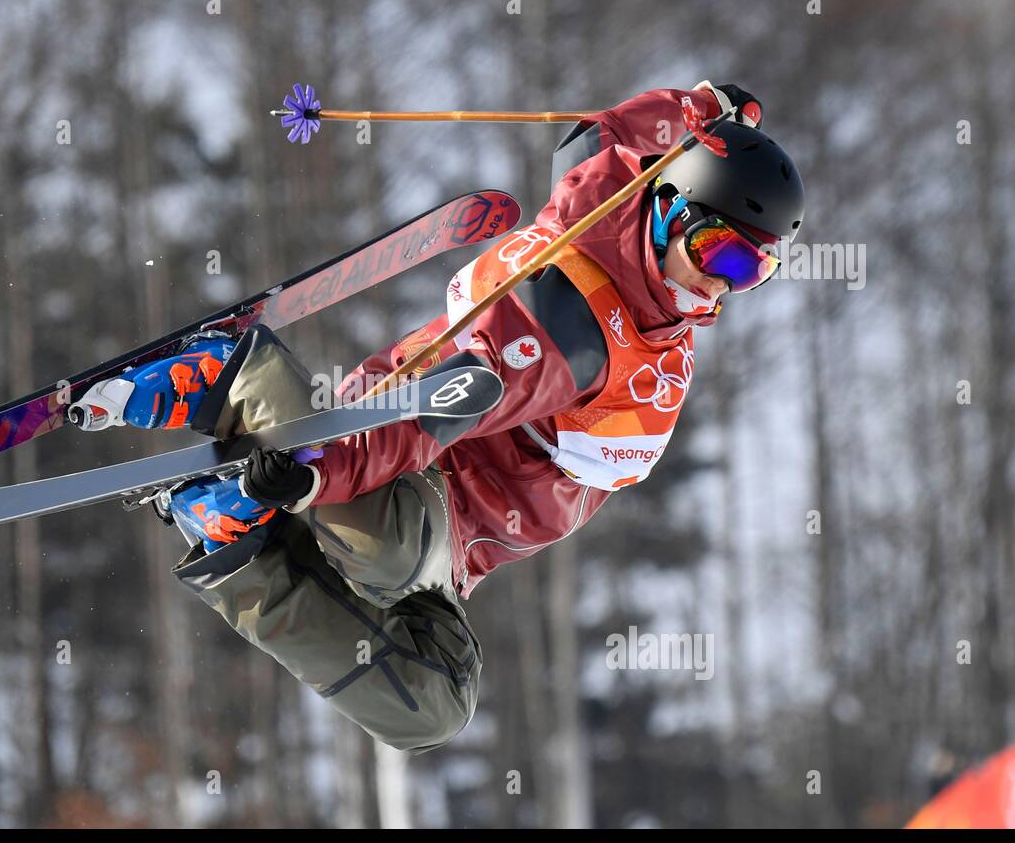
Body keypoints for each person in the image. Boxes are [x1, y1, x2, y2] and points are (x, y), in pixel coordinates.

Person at [76, 82, 805, 752]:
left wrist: (699, 107)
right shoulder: (574, 334)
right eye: (717, 251)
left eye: (752, 270)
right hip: (415, 471)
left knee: (433, 709)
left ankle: (237, 539)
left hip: (456, 558)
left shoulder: (617, 194)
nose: (720, 285)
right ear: (669, 208)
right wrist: (318, 470)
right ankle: (237, 380)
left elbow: (597, 136)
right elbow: (439, 409)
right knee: (380, 546)